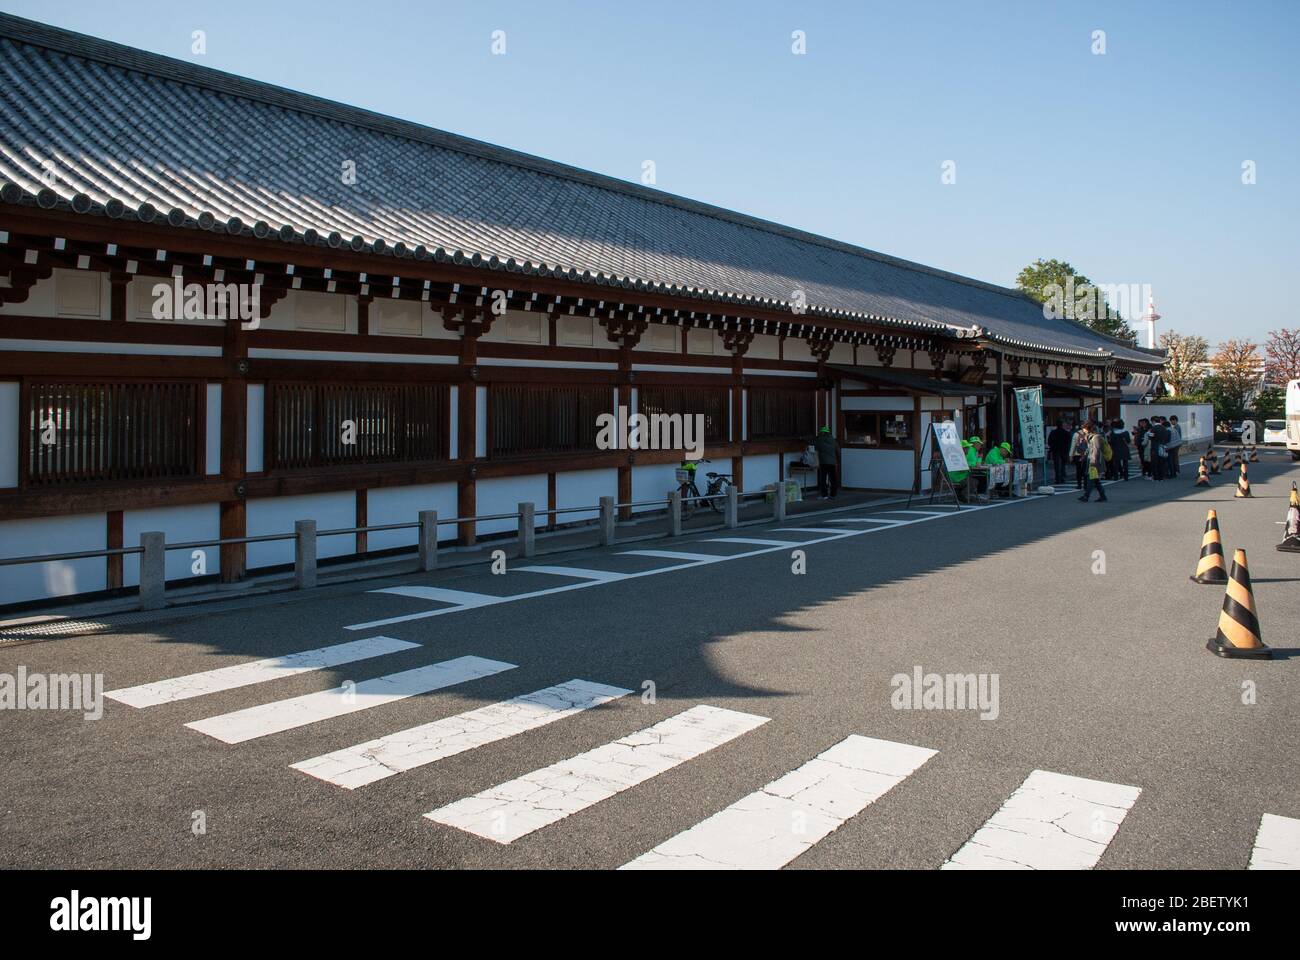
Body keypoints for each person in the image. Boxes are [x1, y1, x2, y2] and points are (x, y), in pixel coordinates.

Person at [1079, 421, 1109, 502]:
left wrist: (1093, 462)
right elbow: (1089, 449)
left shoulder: (1096, 437)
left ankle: (1086, 496)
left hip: (1094, 462)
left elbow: (1096, 451)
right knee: (1095, 480)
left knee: (1090, 479)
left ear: (1088, 429)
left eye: (1084, 429)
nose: (1083, 430)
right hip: (1092, 460)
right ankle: (1102, 496)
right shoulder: (1090, 437)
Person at [813, 425, 839, 499]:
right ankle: (833, 494)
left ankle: (824, 495)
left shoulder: (819, 440)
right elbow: (838, 451)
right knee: (833, 479)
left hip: (823, 462)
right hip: (832, 462)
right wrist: (837, 461)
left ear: (822, 433)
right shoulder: (834, 441)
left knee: (823, 479)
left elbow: (813, 445)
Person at [1047, 419, 1071, 485]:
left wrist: (1052, 446)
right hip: (1064, 450)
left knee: (1057, 465)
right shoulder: (1066, 433)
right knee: (1063, 464)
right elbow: (1069, 442)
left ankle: (1057, 479)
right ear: (1062, 425)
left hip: (1055, 450)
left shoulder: (1053, 432)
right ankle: (1062, 478)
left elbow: (1049, 441)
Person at [1069, 421, 1088, 489]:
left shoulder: (1076, 434)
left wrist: (1071, 455)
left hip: (1078, 454)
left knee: (1078, 470)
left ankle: (1079, 484)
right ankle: (1086, 484)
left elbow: (1073, 445)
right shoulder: (1090, 434)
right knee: (1086, 469)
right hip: (1086, 454)